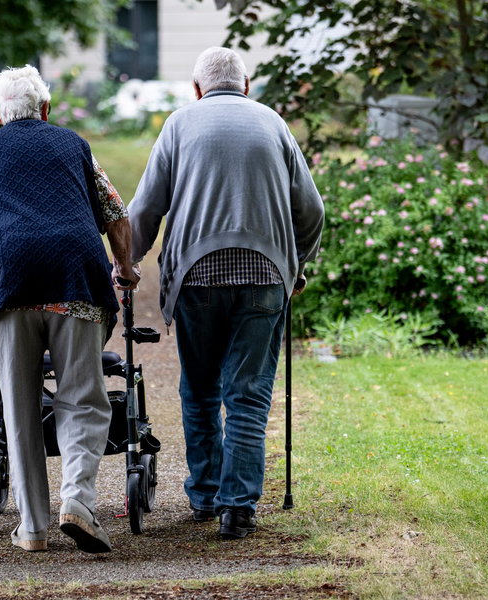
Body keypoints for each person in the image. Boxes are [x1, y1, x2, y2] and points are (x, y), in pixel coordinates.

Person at [128, 47, 324, 540]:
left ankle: (206, 495)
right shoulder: (274, 124)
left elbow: (146, 208)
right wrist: (295, 267)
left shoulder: (179, 124)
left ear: (197, 89)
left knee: (199, 390)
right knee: (248, 395)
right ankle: (237, 509)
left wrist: (125, 261)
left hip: (196, 277)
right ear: (247, 85)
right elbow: (312, 211)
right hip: (265, 274)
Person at [0, 65, 140, 553]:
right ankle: (77, 500)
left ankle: (33, 528)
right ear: (46, 108)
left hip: (7, 283)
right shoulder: (73, 144)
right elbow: (116, 213)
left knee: (18, 408)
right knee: (82, 397)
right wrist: (124, 267)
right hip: (73, 276)